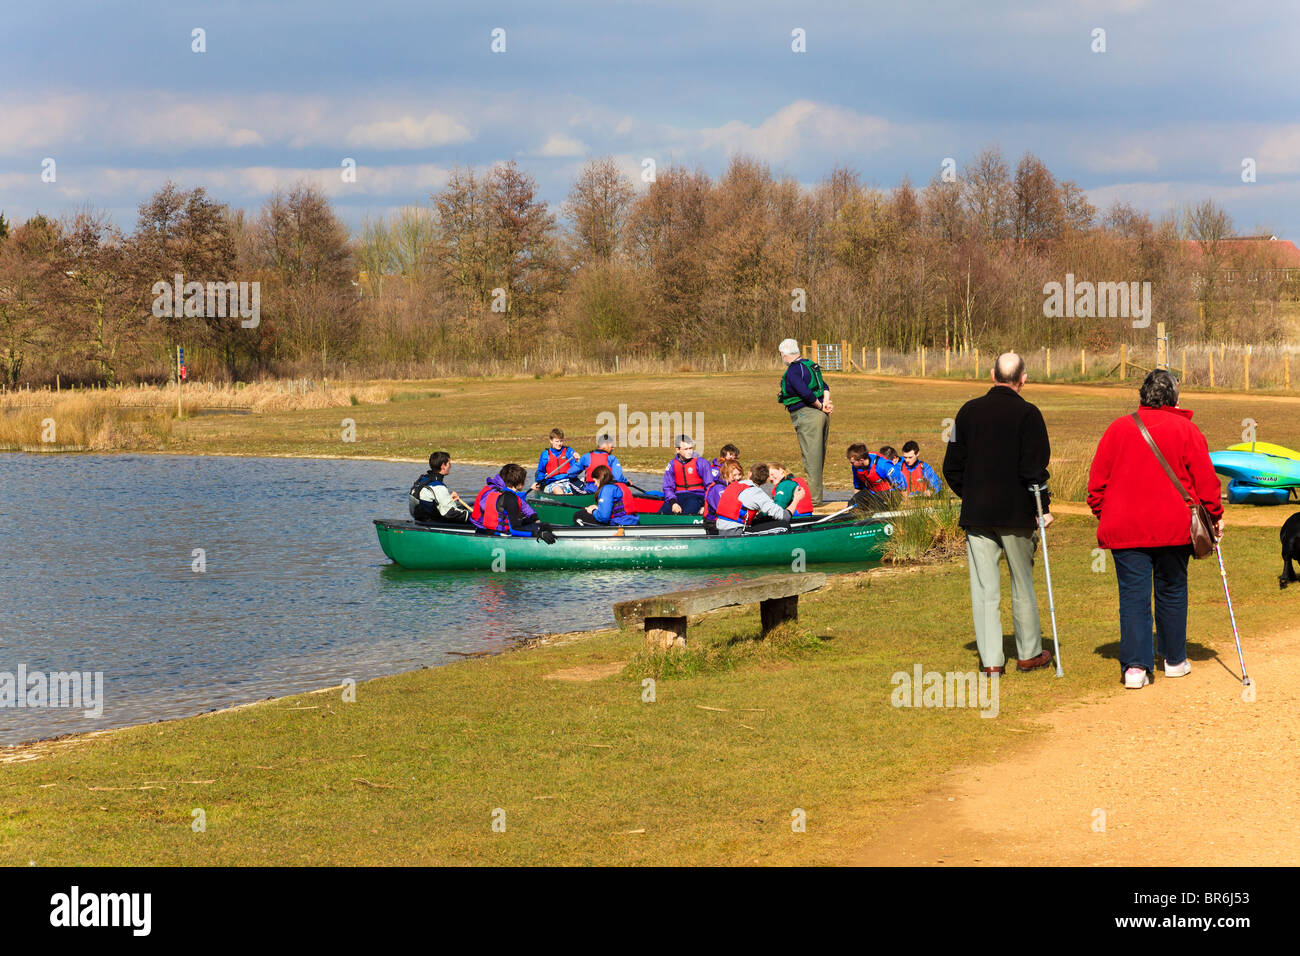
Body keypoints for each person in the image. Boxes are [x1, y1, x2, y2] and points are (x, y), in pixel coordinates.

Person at [1087, 369, 1223, 689]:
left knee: (1133, 597)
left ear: (1142, 395)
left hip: (1126, 527)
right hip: (1174, 527)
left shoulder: (1117, 429)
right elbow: (1207, 484)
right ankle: (1173, 659)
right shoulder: (1187, 430)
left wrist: (1106, 514)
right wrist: (1214, 516)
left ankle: (1136, 668)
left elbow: (1096, 486)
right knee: (1172, 590)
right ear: (1174, 397)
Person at [941, 352, 1053, 676]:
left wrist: (972, 494)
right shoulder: (1029, 413)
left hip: (977, 513)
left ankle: (992, 661)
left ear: (992, 375)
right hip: (1016, 513)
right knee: (1022, 583)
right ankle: (1029, 653)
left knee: (984, 588)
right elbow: (1035, 470)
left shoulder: (967, 412)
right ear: (1024, 378)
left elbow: (952, 467)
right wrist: (1041, 508)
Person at [778, 338, 832, 506]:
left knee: (811, 458)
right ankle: (816, 496)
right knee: (817, 456)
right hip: (819, 415)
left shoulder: (794, 370)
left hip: (808, 415)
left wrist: (820, 406)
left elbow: (805, 393)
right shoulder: (809, 365)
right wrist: (826, 403)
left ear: (784, 354)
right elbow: (825, 386)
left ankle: (814, 501)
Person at [471, 464, 551, 539]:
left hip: (489, 530)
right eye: (524, 480)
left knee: (535, 524)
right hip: (489, 531)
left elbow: (520, 502)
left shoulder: (506, 493)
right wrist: (538, 534)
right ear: (519, 482)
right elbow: (513, 529)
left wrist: (534, 518)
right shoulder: (501, 495)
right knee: (534, 527)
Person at [714, 463, 792, 533]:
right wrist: (796, 499)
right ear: (765, 481)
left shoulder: (734, 485)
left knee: (762, 520)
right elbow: (784, 516)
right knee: (784, 526)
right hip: (736, 531)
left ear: (749, 474)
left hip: (721, 529)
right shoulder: (757, 493)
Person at [408, 451, 471, 523]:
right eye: (449, 464)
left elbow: (429, 498)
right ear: (443, 466)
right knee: (468, 516)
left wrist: (448, 499)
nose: (450, 466)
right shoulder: (438, 486)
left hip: (420, 518)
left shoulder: (423, 479)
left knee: (467, 506)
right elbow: (450, 513)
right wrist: (473, 517)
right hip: (430, 521)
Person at [660, 435, 713, 515]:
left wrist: (705, 506)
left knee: (688, 512)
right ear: (677, 450)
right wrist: (673, 503)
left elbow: (710, 487)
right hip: (678, 497)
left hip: (697, 497)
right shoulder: (672, 465)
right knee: (661, 513)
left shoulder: (702, 463)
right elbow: (668, 487)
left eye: (690, 448)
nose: (689, 451)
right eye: (685, 449)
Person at [532, 428, 580, 494]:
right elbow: (541, 472)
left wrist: (577, 460)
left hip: (568, 481)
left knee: (582, 486)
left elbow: (575, 470)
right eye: (557, 441)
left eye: (561, 441)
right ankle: (565, 499)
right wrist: (538, 482)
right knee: (558, 490)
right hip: (553, 483)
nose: (559, 444)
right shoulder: (545, 455)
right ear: (551, 441)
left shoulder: (568, 451)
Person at [704, 460, 741, 525]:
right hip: (715, 523)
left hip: (730, 521)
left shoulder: (735, 486)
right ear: (725, 474)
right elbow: (725, 509)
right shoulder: (718, 488)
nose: (737, 478)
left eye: (739, 474)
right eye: (734, 475)